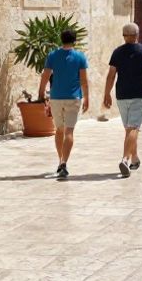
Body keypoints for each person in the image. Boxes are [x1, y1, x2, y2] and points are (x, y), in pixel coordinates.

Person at [103, 23, 142, 178]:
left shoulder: (117, 52)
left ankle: (134, 158)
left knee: (129, 129)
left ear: (124, 36)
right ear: (137, 35)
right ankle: (125, 159)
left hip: (122, 95)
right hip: (139, 95)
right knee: (133, 128)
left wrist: (107, 94)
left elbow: (111, 75)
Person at [38, 29, 88, 180]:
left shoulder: (52, 55)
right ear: (75, 41)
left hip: (56, 98)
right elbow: (84, 80)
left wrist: (41, 93)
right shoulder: (80, 57)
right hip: (73, 98)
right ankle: (64, 162)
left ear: (61, 39)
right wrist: (87, 97)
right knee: (69, 132)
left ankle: (61, 161)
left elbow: (45, 75)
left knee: (59, 130)